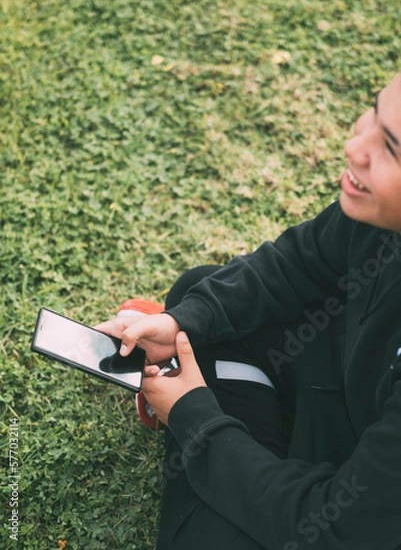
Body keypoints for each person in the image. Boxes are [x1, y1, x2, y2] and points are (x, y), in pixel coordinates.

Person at [96, 72, 401, 549]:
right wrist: (180, 322)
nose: (355, 146)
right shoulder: (382, 213)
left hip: (353, 512)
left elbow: (338, 528)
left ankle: (204, 414)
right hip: (356, 402)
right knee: (201, 301)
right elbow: (299, 262)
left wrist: (197, 424)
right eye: (375, 113)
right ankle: (206, 401)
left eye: (391, 149)